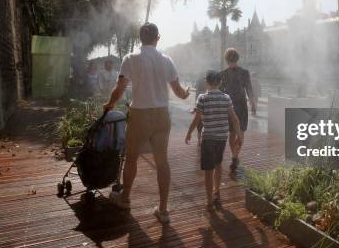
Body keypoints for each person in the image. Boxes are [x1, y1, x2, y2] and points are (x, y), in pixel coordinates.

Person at [103, 23, 190, 224]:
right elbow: (178, 92)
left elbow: (119, 89)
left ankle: (125, 199)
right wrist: (186, 94)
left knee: (131, 158)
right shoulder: (167, 60)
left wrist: (109, 105)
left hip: (140, 114)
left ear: (139, 38)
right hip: (161, 115)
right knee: (162, 162)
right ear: (157, 38)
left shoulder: (130, 59)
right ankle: (163, 210)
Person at [185, 70, 242, 211]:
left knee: (208, 170)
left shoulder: (202, 98)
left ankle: (209, 200)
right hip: (222, 137)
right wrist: (239, 135)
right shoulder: (226, 98)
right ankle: (217, 191)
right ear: (220, 82)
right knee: (218, 164)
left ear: (207, 82)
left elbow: (196, 119)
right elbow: (234, 118)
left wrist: (189, 133)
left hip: (208, 137)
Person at [220, 48, 255, 179]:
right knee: (241, 132)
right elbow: (249, 89)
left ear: (226, 59)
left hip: (228, 107)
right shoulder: (244, 73)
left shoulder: (222, 74)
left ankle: (234, 155)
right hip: (241, 106)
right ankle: (235, 156)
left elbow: (220, 93)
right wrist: (253, 104)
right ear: (237, 58)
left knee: (232, 133)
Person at [193, 72, 208, 144]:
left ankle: (199, 140)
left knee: (199, 123)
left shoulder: (198, 81)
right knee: (204, 123)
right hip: (205, 106)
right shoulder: (205, 83)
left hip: (199, 105)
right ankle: (202, 139)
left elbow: (195, 87)